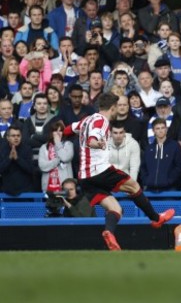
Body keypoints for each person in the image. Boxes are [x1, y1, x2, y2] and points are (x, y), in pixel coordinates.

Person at [63, 93, 175, 251]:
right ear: (113, 107)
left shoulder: (86, 120)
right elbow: (92, 140)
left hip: (84, 177)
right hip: (99, 170)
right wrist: (97, 144)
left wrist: (59, 134)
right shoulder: (102, 121)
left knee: (115, 209)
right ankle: (156, 218)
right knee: (134, 186)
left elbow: (69, 129)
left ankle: (109, 232)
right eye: (118, 107)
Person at [38, 120, 74, 193]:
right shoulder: (44, 147)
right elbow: (42, 166)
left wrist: (58, 143)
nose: (58, 133)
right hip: (48, 186)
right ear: (51, 133)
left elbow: (65, 158)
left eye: (60, 131)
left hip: (65, 186)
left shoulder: (68, 145)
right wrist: (57, 160)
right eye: (55, 131)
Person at [0, 125, 35, 195]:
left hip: (25, 191)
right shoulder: (2, 150)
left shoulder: (27, 149)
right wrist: (9, 158)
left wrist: (17, 159)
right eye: (13, 136)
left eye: (18, 136)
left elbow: (31, 169)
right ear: (7, 138)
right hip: (7, 191)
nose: (16, 138)